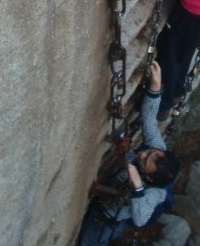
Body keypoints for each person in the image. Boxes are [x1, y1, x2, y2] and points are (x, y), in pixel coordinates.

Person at [77, 61, 180, 245]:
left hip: (104, 218)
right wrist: (155, 88)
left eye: (144, 161)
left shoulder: (156, 193)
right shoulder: (158, 149)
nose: (142, 155)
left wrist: (138, 187)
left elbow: (140, 219)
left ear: (149, 179)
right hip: (105, 192)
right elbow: (149, 120)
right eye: (149, 153)